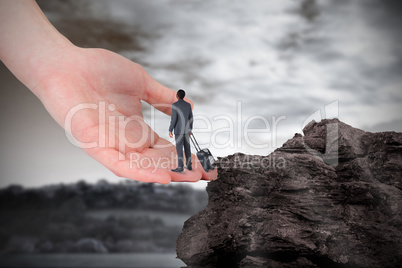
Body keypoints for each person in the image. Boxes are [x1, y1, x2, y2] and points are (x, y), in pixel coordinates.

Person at [0, 0, 217, 184]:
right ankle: (188, 163)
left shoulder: (181, 105)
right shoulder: (185, 106)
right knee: (188, 148)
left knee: (183, 150)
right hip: (185, 130)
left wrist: (173, 129)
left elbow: (177, 117)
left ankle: (185, 164)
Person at [169, 89, 193, 173]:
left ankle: (180, 167)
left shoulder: (175, 105)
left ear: (177, 96)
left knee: (179, 149)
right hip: (187, 130)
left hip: (178, 130)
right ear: (184, 96)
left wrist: (170, 129)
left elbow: (174, 119)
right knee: (187, 148)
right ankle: (189, 165)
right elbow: (191, 118)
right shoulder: (188, 105)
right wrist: (190, 129)